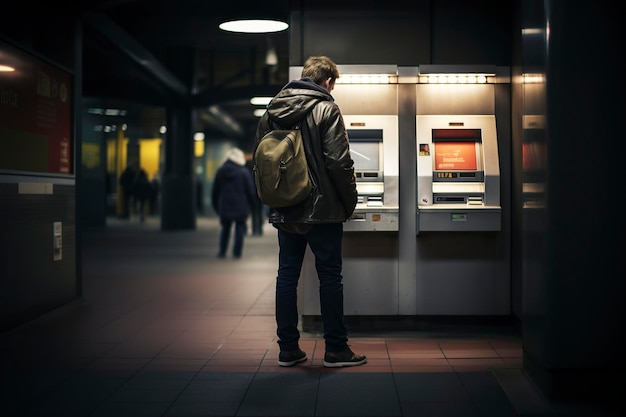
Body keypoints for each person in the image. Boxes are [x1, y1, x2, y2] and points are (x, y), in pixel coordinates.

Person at [254, 55, 366, 368]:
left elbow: (261, 161)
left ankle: (288, 348)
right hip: (323, 209)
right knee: (330, 277)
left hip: (286, 208)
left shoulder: (272, 111)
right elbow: (338, 162)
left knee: (287, 276)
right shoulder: (326, 107)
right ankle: (336, 350)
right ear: (328, 80)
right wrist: (349, 202)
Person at [211, 147, 257, 259]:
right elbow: (250, 190)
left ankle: (222, 251)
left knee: (225, 228)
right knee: (240, 228)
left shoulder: (221, 171)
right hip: (241, 205)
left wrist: (216, 206)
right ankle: (237, 253)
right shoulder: (244, 172)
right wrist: (253, 204)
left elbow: (215, 190)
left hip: (224, 204)